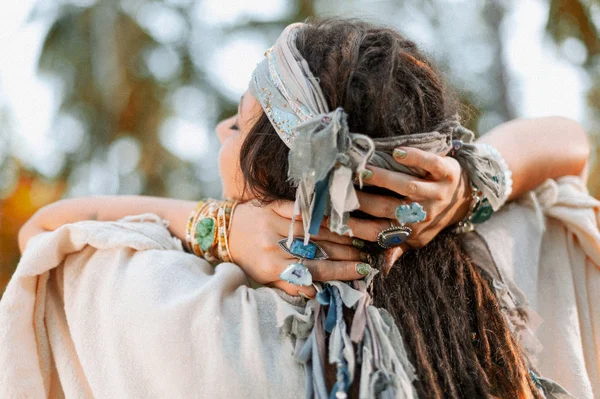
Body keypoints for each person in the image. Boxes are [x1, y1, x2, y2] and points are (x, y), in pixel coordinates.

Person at [6, 18, 598, 398]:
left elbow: (46, 234)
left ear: (271, 178)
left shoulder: (185, 311)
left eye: (238, 122)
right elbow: (568, 144)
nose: (219, 128)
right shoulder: (498, 275)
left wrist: (217, 229)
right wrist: (472, 184)